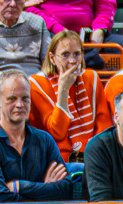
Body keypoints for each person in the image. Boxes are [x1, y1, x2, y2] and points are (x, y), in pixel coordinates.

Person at [0, 70, 78, 202]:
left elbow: (66, 190)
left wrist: (19, 186)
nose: (19, 105)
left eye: (25, 98)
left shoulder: (45, 140)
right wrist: (45, 189)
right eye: (12, 99)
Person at [27, 31, 107, 161]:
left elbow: (104, 125)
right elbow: (57, 133)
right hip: (56, 158)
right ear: (52, 58)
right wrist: (63, 89)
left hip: (93, 154)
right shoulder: (36, 84)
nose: (72, 61)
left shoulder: (91, 77)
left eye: (77, 54)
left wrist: (99, 155)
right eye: (65, 54)